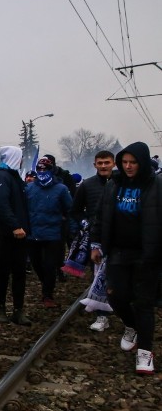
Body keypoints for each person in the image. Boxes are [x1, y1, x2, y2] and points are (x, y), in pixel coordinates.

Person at [90, 142, 159, 375]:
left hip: (147, 253)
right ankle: (131, 326)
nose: (128, 167)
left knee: (144, 303)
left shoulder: (156, 185)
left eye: (133, 162)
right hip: (118, 251)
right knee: (116, 296)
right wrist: (96, 244)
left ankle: (145, 354)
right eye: (125, 162)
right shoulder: (114, 185)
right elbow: (101, 216)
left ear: (142, 163)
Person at [70, 150, 115, 331]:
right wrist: (85, 223)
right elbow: (75, 210)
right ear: (94, 165)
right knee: (99, 277)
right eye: (100, 163)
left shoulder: (122, 183)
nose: (103, 166)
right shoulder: (87, 185)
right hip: (96, 238)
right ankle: (102, 315)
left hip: (121, 238)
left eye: (107, 162)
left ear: (113, 163)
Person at [0, 146, 31, 325]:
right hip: (6, 235)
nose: (22, 161)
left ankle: (18, 310)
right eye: (20, 157)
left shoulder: (13, 176)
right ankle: (0, 308)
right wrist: (14, 225)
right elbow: (0, 204)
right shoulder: (2, 176)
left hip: (20, 235)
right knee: (4, 273)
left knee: (20, 273)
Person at [26, 156, 73, 308]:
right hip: (33, 234)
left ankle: (48, 294)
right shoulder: (30, 188)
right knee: (37, 265)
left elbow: (69, 209)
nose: (42, 172)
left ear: (52, 170)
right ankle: (45, 282)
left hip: (53, 234)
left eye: (45, 169)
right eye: (39, 169)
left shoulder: (61, 189)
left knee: (50, 266)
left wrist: (71, 230)